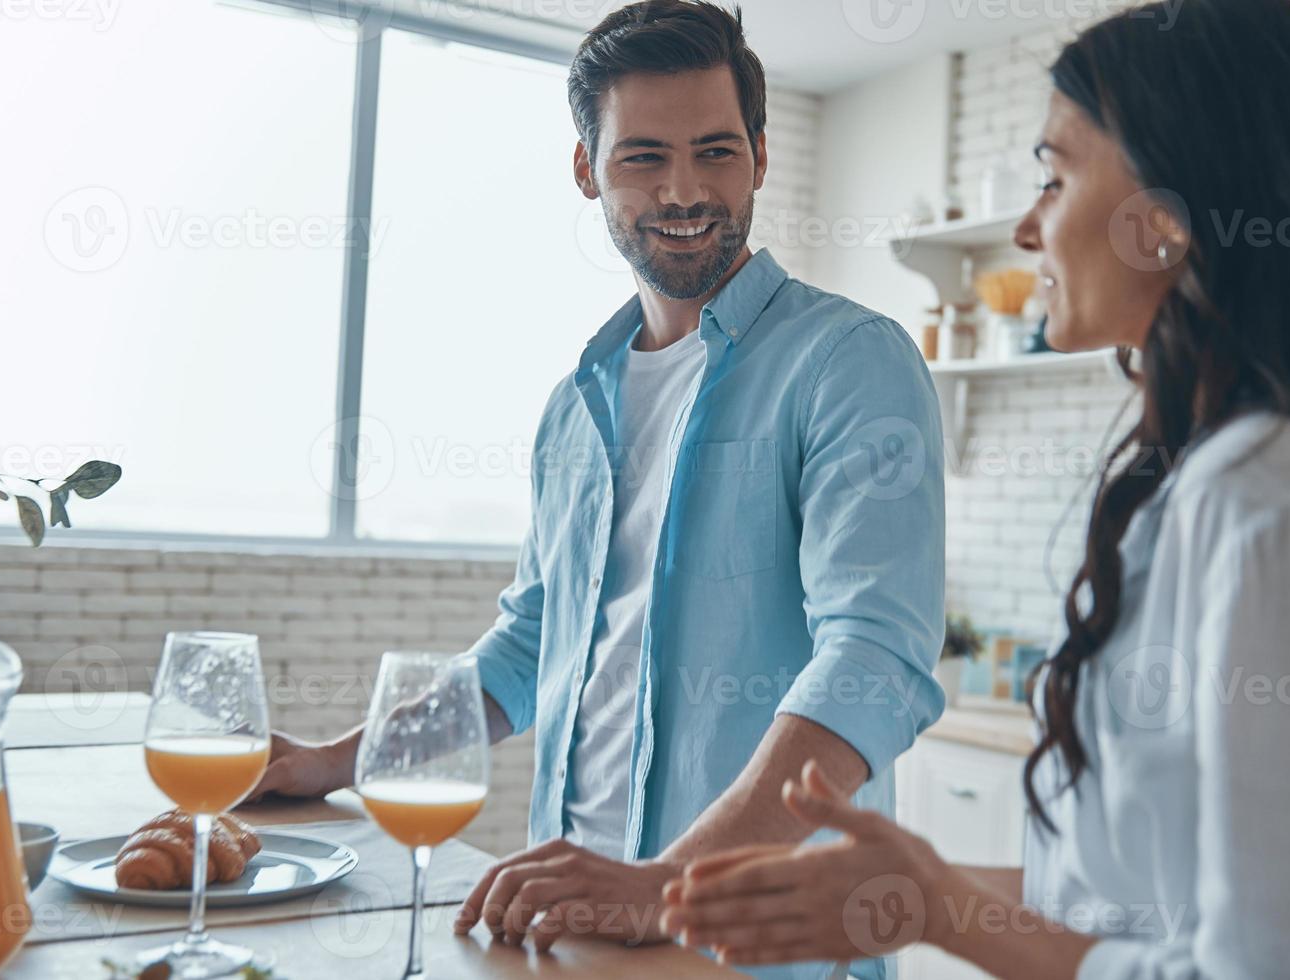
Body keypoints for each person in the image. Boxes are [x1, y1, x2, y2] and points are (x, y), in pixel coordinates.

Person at [658, 1, 1290, 977]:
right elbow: (1139, 903)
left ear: (1166, 221)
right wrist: (904, 893)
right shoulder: (1208, 480)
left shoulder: (1269, 495)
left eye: (1053, 179)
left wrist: (942, 908)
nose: (1026, 227)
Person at [249, 3, 945, 977]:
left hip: (754, 949)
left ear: (757, 154)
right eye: (642, 157)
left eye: (714, 151)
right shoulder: (574, 406)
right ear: (585, 169)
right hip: (574, 925)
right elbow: (527, 646)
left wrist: (667, 881)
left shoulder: (847, 364)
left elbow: (875, 657)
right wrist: (337, 759)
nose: (684, 189)